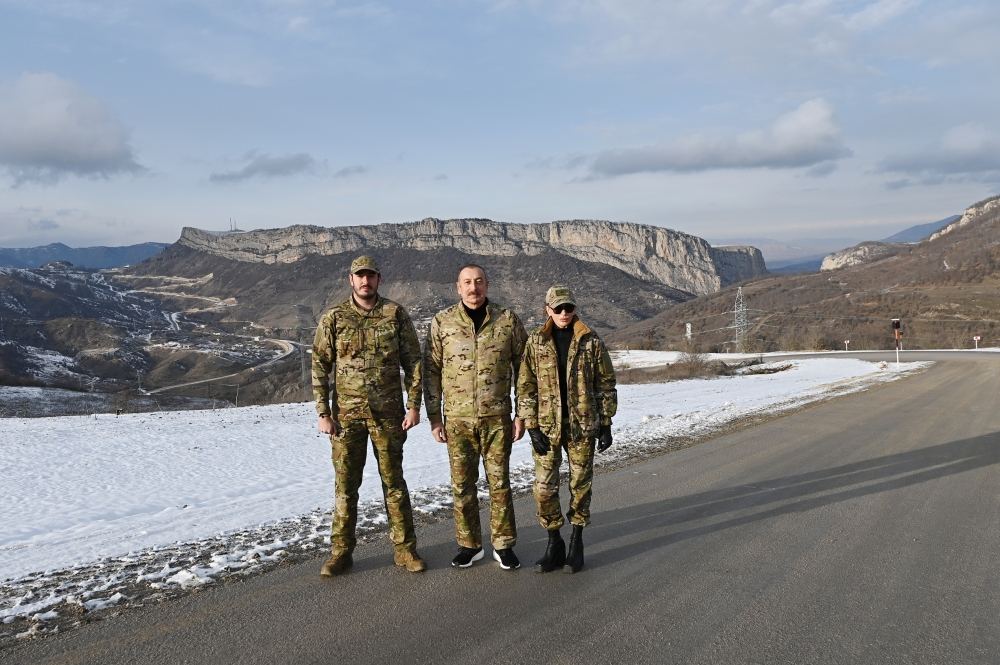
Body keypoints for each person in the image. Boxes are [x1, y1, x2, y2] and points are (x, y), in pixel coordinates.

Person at [311, 255, 425, 577]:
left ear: (379, 278)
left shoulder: (394, 314)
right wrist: (323, 412)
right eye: (360, 276)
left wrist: (414, 405)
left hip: (388, 416)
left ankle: (405, 550)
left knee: (395, 485)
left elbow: (413, 362)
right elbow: (320, 364)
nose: (365, 281)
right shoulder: (334, 318)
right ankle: (341, 553)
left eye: (370, 276)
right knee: (346, 487)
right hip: (346, 419)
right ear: (351, 280)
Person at [424, 264, 528, 570]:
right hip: (457, 419)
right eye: (467, 282)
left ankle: (503, 544)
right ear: (458, 287)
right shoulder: (442, 322)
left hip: (497, 418)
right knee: (462, 485)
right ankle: (469, 545)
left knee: (500, 484)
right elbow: (431, 370)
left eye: (479, 281)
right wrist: (434, 416)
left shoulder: (507, 319)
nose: (474, 287)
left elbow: (524, 367)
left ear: (487, 285)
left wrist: (522, 413)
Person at [517, 285, 617, 573]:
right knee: (544, 490)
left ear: (575, 309)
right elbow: (525, 385)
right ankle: (554, 541)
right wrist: (531, 424)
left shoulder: (590, 340)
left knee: (580, 487)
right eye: (558, 308)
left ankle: (576, 541)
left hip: (582, 427)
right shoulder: (536, 342)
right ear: (547, 310)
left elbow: (605, 383)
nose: (564, 313)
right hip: (547, 428)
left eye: (568, 308)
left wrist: (606, 423)